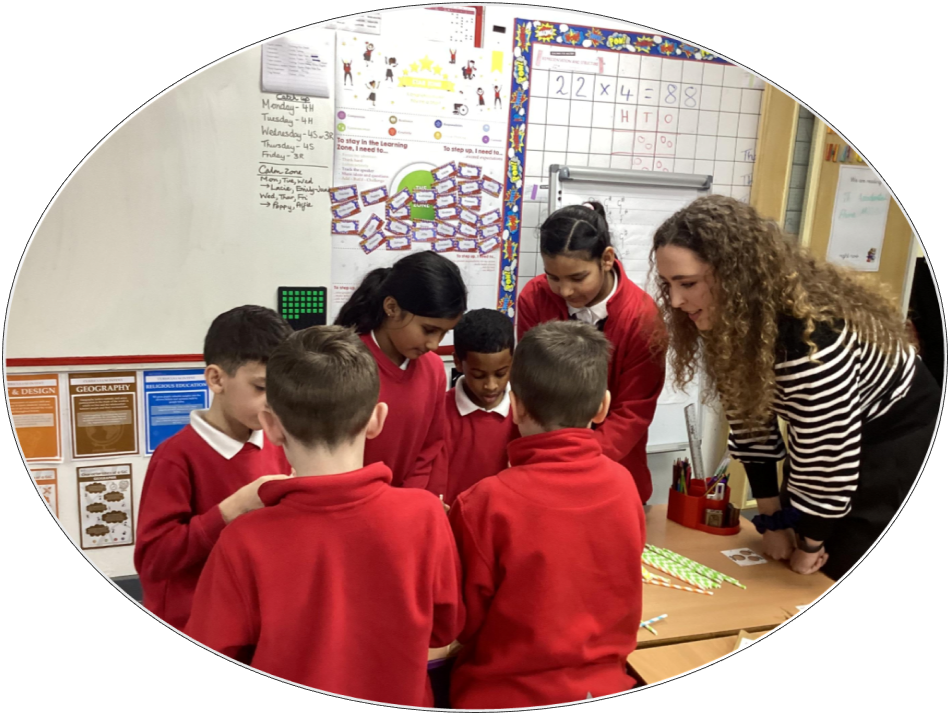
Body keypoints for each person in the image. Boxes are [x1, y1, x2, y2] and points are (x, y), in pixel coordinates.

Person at [652, 194, 941, 580]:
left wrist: (810, 546)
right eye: (668, 284)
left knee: (834, 563)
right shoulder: (734, 319)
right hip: (832, 440)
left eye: (687, 283)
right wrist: (772, 521)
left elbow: (828, 459)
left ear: (735, 276)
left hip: (897, 436)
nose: (675, 301)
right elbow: (750, 424)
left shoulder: (810, 342)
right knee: (788, 542)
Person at [185, 326, 464, 706]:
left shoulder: (242, 540)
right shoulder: (426, 516)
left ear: (271, 426)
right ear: (377, 419)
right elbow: (444, 628)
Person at [448, 321, 646, 708]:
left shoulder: (483, 502)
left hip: (499, 696)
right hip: (604, 685)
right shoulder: (625, 486)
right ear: (603, 406)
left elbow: (462, 625)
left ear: (516, 406)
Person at [134, 306, 293, 630]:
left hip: (253, 619)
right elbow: (152, 560)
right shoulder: (176, 457)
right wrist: (230, 511)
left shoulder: (280, 442)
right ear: (217, 379)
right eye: (261, 388)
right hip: (194, 625)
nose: (273, 402)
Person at [516, 201, 665, 502]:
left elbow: (632, 412)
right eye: (553, 277)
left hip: (611, 472)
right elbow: (533, 387)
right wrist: (544, 463)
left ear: (606, 259)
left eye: (577, 278)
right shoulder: (534, 298)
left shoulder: (643, 319)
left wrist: (576, 466)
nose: (565, 291)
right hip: (542, 466)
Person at [335, 250, 466, 493]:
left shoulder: (434, 369)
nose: (434, 344)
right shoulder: (343, 363)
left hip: (404, 502)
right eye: (428, 330)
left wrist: (408, 499)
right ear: (392, 308)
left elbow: (429, 448)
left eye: (444, 333)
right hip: (349, 499)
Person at [432, 309, 518, 508]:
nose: (491, 385)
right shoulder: (438, 412)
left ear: (513, 362)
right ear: (458, 362)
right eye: (478, 375)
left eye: (501, 374)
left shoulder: (524, 413)